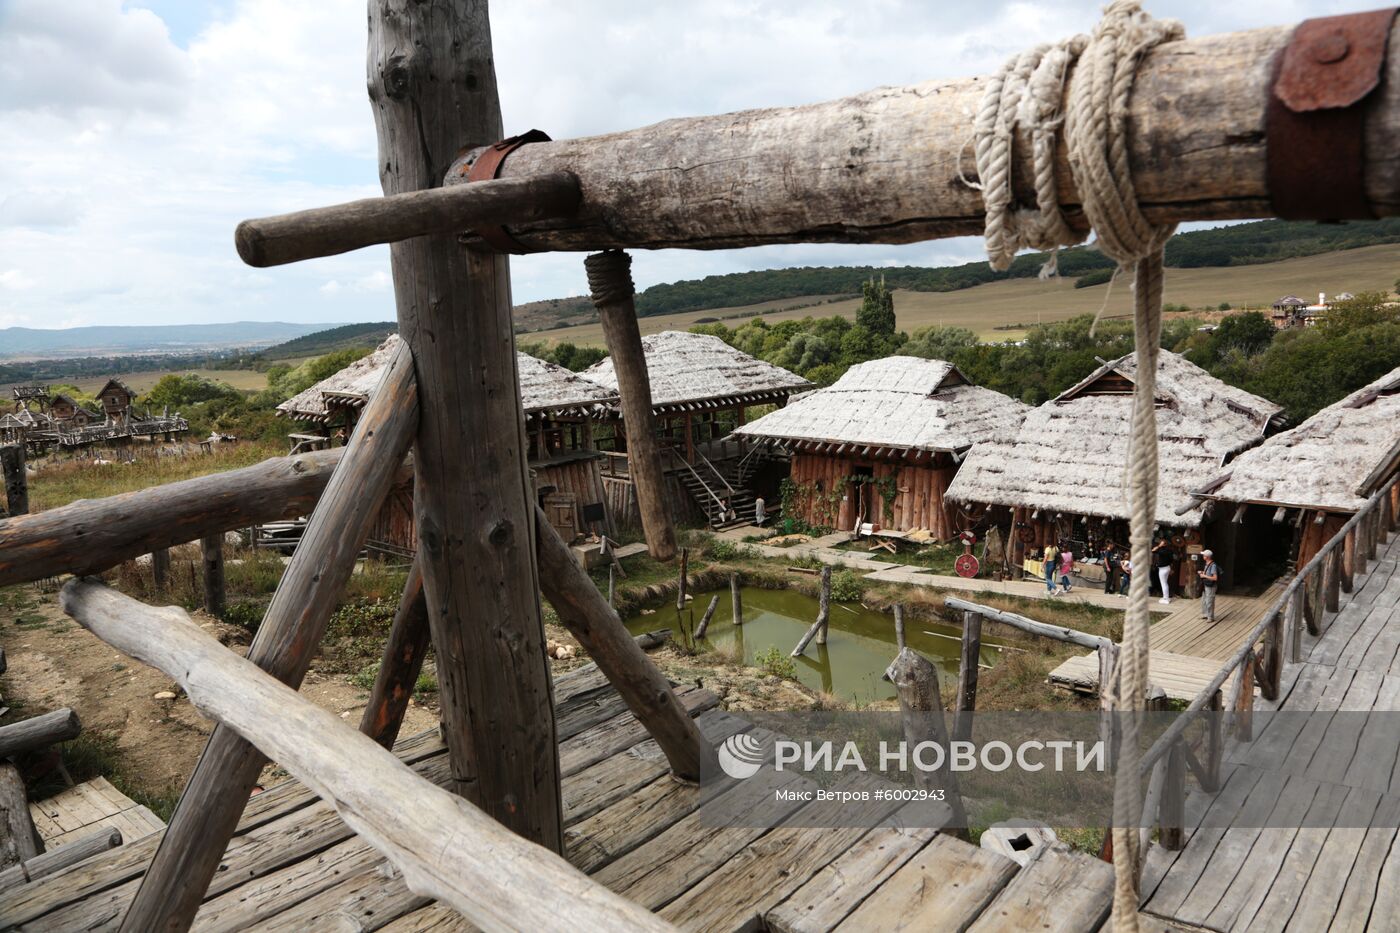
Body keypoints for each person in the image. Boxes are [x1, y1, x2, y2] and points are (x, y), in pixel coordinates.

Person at [1198, 549, 1219, 623]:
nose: (1203, 556)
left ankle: (1210, 617)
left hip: (1211, 586)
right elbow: (1208, 573)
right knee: (1204, 600)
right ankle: (1205, 614)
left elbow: (1215, 578)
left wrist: (1204, 575)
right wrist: (1202, 572)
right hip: (1206, 584)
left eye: (1204, 555)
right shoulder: (1207, 564)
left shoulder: (1213, 565)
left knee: (1209, 601)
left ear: (1207, 557)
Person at [1153, 538, 1174, 605]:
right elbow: (1171, 560)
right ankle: (1166, 597)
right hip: (1167, 567)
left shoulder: (1161, 550)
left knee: (1163, 583)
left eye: (1161, 543)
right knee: (1165, 583)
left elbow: (1153, 550)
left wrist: (1159, 546)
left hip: (1162, 569)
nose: (1159, 543)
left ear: (1163, 544)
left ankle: (1165, 598)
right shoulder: (1169, 550)